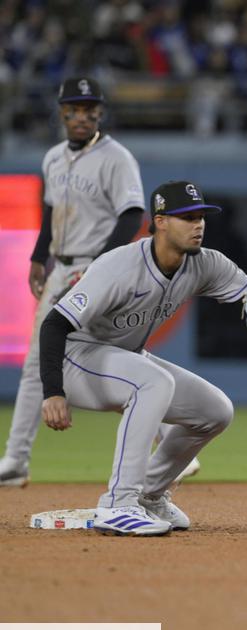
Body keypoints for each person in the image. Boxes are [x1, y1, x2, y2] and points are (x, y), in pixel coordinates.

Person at [36, 180, 247, 536]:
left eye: (201, 217)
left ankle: (149, 496)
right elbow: (54, 324)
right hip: (75, 358)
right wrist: (53, 392)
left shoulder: (206, 263)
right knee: (153, 381)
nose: (198, 225)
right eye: (187, 217)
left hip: (125, 358)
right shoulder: (119, 266)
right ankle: (118, 504)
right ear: (160, 222)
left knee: (215, 411)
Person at [1, 77, 146, 488]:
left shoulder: (116, 158)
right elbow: (51, 212)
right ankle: (16, 459)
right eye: (74, 109)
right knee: (36, 362)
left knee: (119, 357)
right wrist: (37, 257)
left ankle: (169, 445)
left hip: (93, 268)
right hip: (60, 269)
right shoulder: (52, 158)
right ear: (62, 112)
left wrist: (101, 268)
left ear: (100, 113)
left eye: (89, 109)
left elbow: (132, 215)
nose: (81, 116)